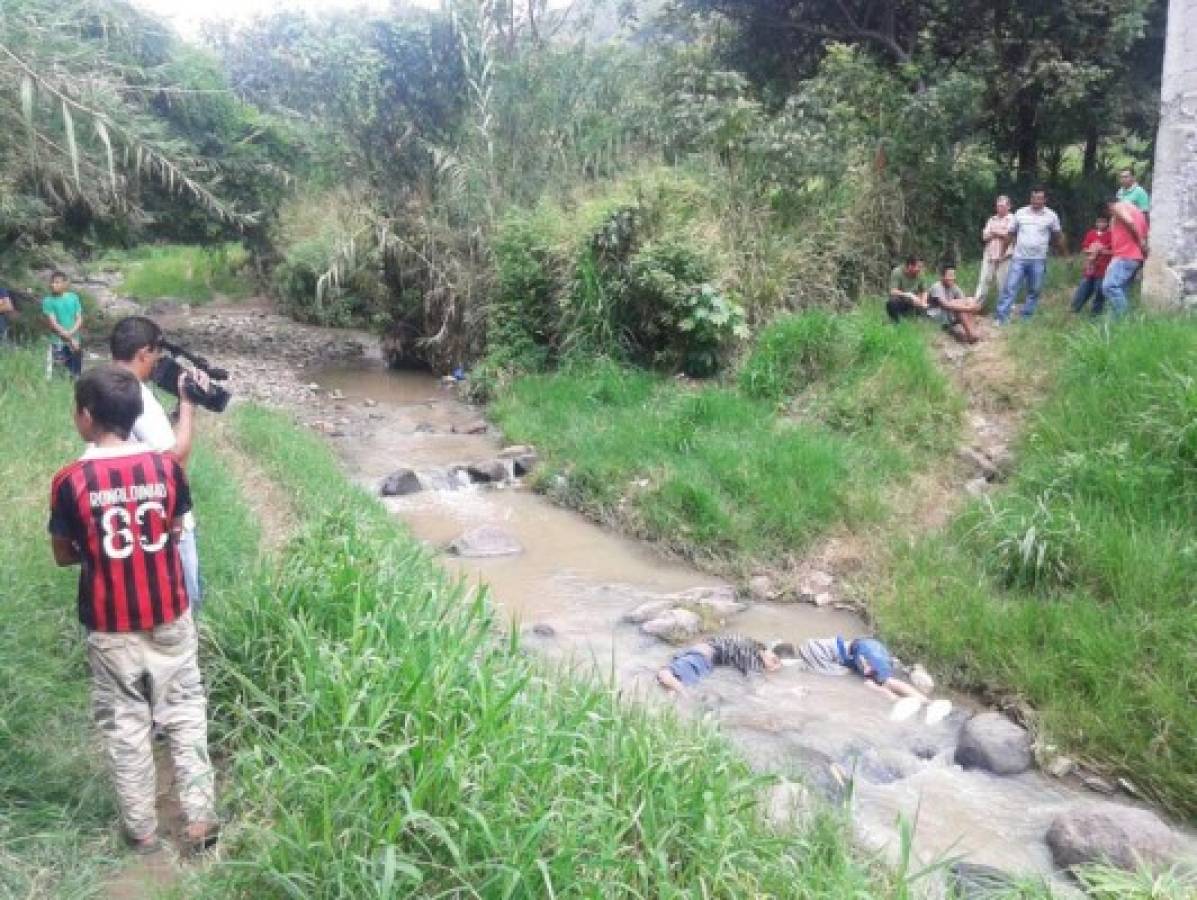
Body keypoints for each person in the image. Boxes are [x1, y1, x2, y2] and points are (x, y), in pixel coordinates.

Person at [47, 366, 218, 855]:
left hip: (109, 625)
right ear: (137, 413)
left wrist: (99, 548)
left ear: (85, 416)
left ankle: (142, 831)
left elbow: (63, 553)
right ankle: (200, 818)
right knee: (184, 711)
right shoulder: (167, 470)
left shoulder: (70, 480)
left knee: (126, 722)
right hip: (168, 613)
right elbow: (177, 529)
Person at [110, 316, 206, 614]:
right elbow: (174, 458)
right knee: (184, 604)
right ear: (143, 353)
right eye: (155, 356)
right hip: (166, 517)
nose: (157, 363)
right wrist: (188, 404)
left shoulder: (104, 385)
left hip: (127, 514)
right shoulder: (138, 395)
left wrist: (175, 413)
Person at [995, 187, 1063, 325]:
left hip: (1039, 259)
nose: (1036, 201)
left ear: (1045, 200)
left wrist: (1063, 253)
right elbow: (1010, 235)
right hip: (1019, 258)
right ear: (1030, 198)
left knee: (1034, 290)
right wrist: (1001, 253)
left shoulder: (1051, 215)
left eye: (1039, 198)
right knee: (1010, 287)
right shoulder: (1020, 213)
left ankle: (1026, 317)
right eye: (1033, 198)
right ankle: (1001, 318)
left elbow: (1057, 236)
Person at [793, 635, 927, 702]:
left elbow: (840, 673)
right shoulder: (821, 650)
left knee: (885, 682)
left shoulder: (814, 652)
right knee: (874, 683)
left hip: (866, 651)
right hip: (866, 649)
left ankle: (922, 701)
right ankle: (901, 700)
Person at [657, 634, 782, 692]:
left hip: (698, 654)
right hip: (701, 657)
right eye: (774, 661)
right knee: (667, 675)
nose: (773, 665)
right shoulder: (752, 653)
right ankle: (683, 695)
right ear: (765, 651)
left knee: (675, 684)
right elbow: (756, 682)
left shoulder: (748, 643)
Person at [1102, 197, 1149, 319]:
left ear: (1109, 205)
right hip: (1135, 258)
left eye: (1109, 212)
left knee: (1109, 286)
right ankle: (1117, 327)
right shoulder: (1139, 213)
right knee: (1122, 291)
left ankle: (1125, 319)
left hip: (1125, 256)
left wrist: (1141, 242)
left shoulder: (1118, 206)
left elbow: (1129, 222)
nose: (1111, 214)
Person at [975, 195, 1015, 307]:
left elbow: (1009, 236)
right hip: (989, 255)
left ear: (1009, 206)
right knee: (983, 281)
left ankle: (1006, 309)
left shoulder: (1013, 219)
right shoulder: (991, 219)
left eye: (1002, 206)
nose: (1000, 208)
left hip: (1005, 257)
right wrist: (999, 232)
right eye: (998, 206)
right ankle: (976, 306)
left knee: (1003, 284)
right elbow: (984, 236)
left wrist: (995, 232)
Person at [928, 265, 984, 343]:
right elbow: (945, 305)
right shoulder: (937, 286)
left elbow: (965, 300)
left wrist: (973, 305)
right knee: (956, 304)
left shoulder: (953, 286)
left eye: (953, 276)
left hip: (947, 313)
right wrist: (969, 308)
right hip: (936, 315)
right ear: (942, 277)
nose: (952, 278)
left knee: (969, 300)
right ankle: (971, 334)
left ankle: (972, 331)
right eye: (950, 276)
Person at [42, 271, 83, 378]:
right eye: (52, 282)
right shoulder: (48, 301)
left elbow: (79, 318)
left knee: (76, 373)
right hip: (58, 341)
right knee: (59, 373)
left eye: (57, 282)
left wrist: (72, 334)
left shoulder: (74, 297)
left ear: (65, 284)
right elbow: (53, 323)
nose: (53, 285)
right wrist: (70, 339)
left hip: (75, 339)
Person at [1071, 213, 1113, 316]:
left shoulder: (1111, 235)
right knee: (1083, 288)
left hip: (1103, 269)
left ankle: (1095, 314)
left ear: (1107, 223)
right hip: (1090, 268)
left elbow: (1113, 252)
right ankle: (1074, 309)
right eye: (1099, 221)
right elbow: (1085, 248)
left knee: (1099, 291)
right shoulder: (1091, 233)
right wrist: (1093, 250)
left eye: (1103, 222)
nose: (1101, 224)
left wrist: (1101, 251)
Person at [886, 256, 929, 322]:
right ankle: (896, 321)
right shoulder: (897, 272)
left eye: (922, 267)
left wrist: (923, 302)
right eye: (918, 267)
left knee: (929, 301)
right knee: (892, 301)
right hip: (901, 300)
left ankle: (919, 319)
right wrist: (908, 295)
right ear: (910, 266)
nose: (920, 269)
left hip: (915, 302)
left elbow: (924, 291)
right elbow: (893, 291)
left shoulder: (920, 274)